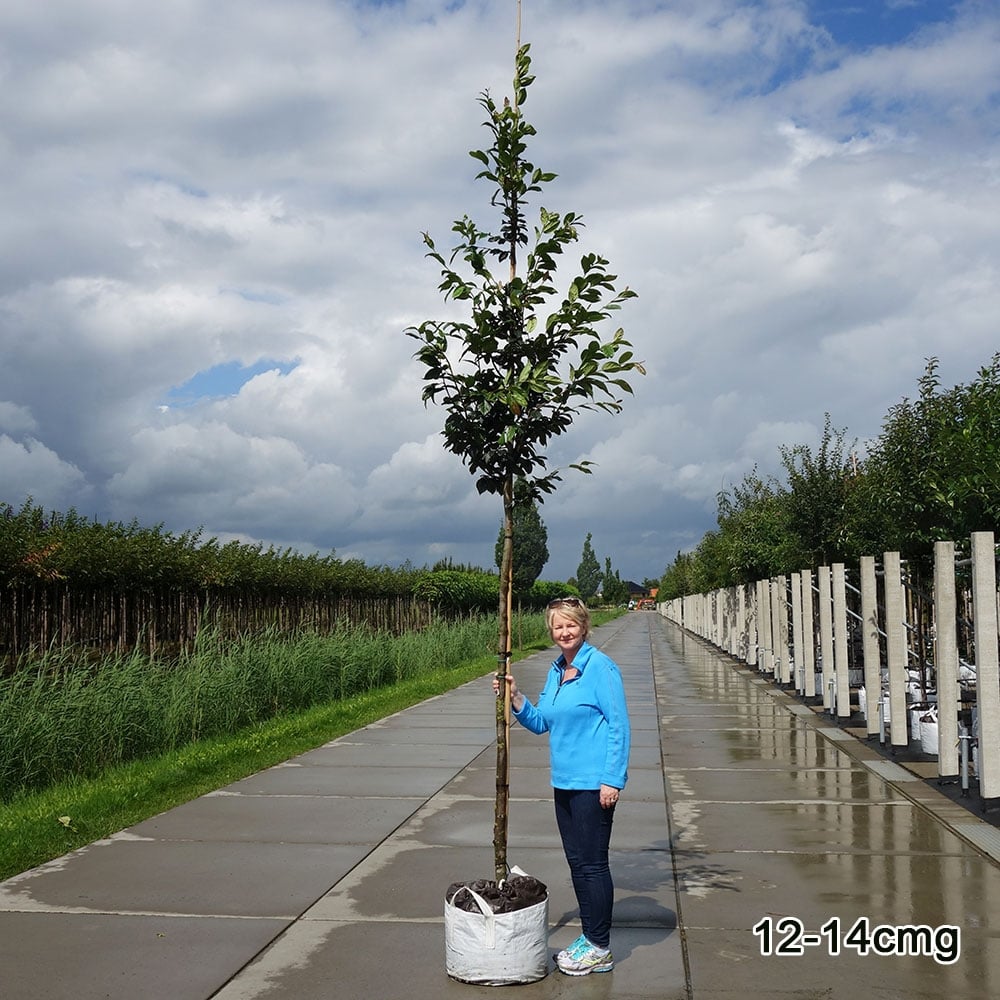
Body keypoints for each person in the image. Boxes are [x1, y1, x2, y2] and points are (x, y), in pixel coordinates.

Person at [493, 596, 630, 976]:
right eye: (557, 626)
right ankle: (589, 938)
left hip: (593, 785)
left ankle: (600, 946)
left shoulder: (601, 668)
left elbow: (619, 726)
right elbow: (541, 722)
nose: (564, 632)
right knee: (577, 865)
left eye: (570, 625)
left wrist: (611, 780)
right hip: (564, 784)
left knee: (593, 865)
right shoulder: (557, 671)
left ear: (583, 626)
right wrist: (515, 697)